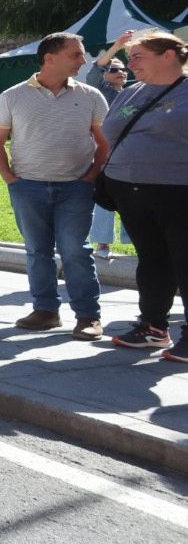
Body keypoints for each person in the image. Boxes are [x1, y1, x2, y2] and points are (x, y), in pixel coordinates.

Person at [0, 32, 110, 339]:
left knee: (75, 250)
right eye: (76, 54)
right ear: (50, 58)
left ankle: (88, 316)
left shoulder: (91, 96)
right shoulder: (12, 96)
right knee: (37, 250)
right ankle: (45, 311)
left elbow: (105, 142)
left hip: (76, 188)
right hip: (27, 187)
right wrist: (11, 180)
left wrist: (90, 177)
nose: (84, 60)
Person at [100, 30, 188, 357]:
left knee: (185, 261)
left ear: (168, 55)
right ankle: (153, 327)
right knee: (152, 260)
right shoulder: (131, 93)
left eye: (138, 56)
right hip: (130, 191)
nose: (130, 64)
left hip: (179, 192)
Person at [86, 33, 134, 258]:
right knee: (105, 199)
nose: (121, 72)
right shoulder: (99, 90)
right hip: (104, 154)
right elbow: (96, 68)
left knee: (133, 199)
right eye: (114, 69)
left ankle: (136, 241)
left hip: (130, 155)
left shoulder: (133, 94)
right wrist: (118, 46)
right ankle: (102, 245)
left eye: (123, 69)